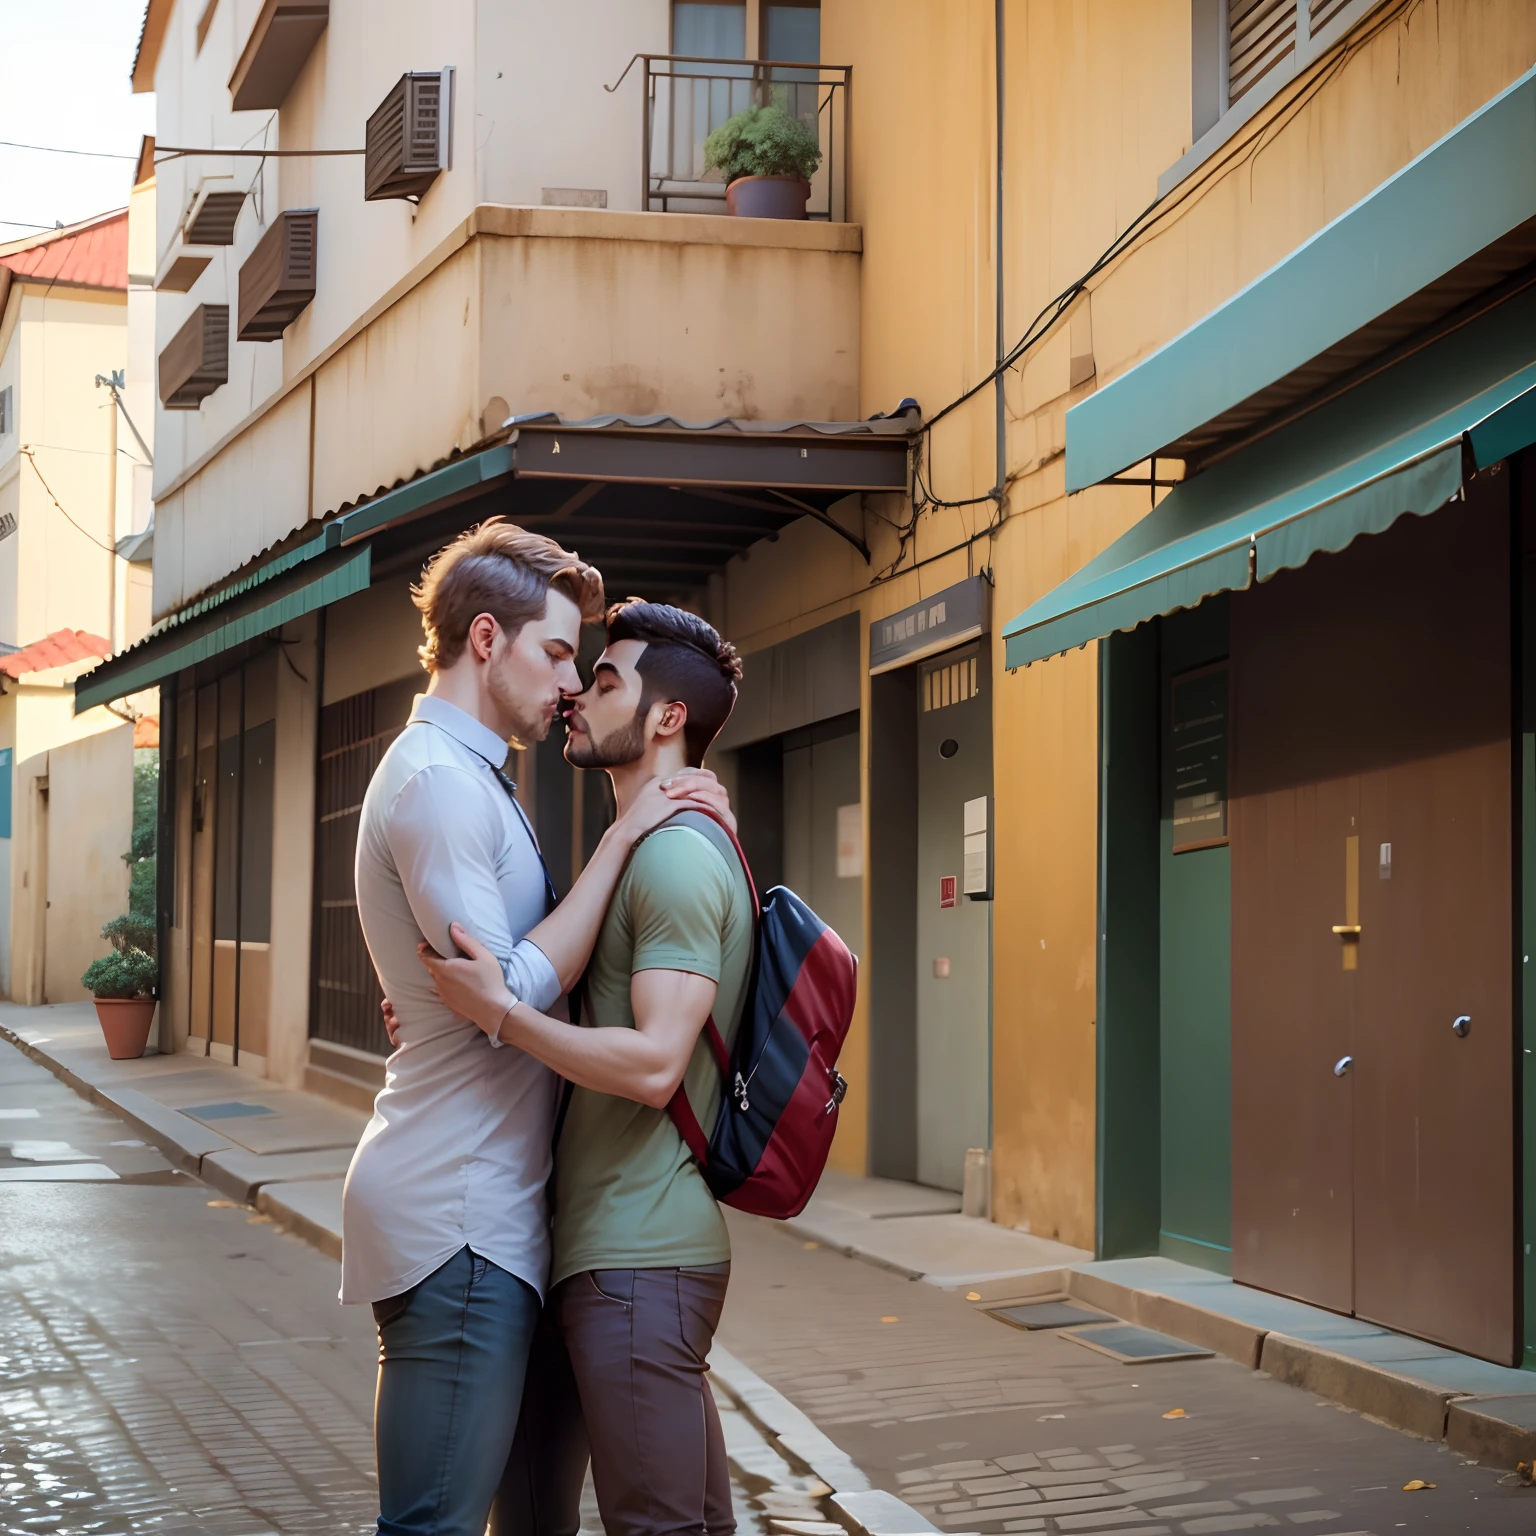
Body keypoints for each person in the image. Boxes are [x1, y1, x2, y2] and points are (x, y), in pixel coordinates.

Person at [341, 523, 730, 1536]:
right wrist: (620, 839)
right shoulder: (436, 779)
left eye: (587, 667)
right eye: (559, 654)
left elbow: (497, 988)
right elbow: (503, 983)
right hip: (458, 1209)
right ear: (484, 639)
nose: (568, 682)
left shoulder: (478, 780)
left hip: (505, 1216)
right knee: (432, 1523)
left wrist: (451, 1009)